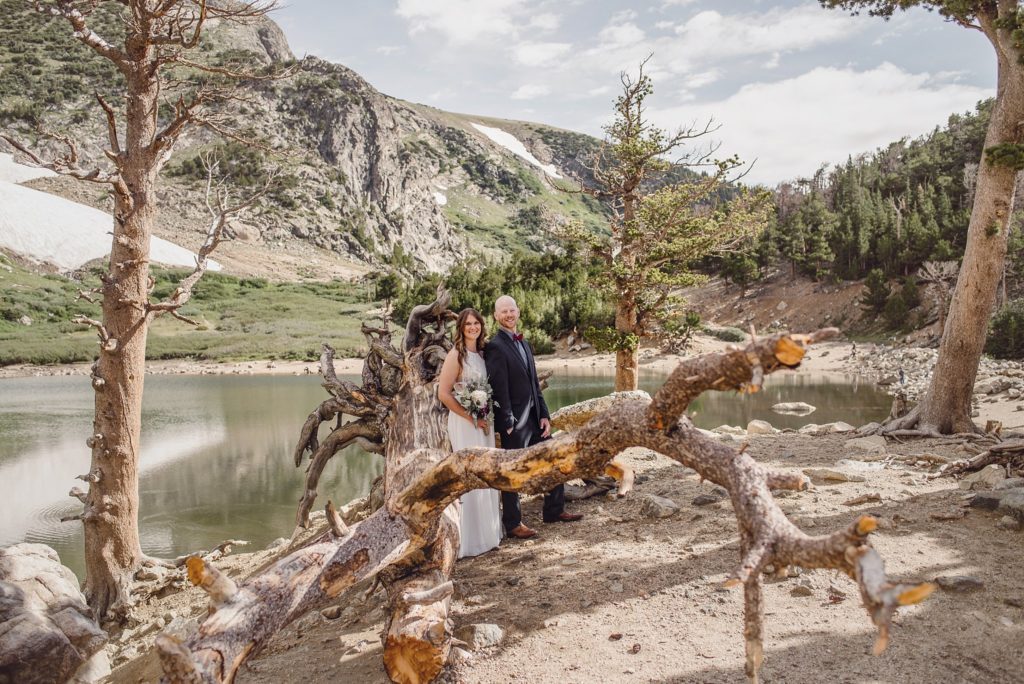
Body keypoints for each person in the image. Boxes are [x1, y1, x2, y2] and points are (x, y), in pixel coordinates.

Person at [485, 295, 582, 539]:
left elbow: (534, 385)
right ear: (496, 316)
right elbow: (499, 387)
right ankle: (514, 523)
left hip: (535, 419)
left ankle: (554, 510)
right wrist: (506, 422)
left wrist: (545, 414)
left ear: (518, 312)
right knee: (512, 471)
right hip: (514, 423)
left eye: (512, 310)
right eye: (503, 311)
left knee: (555, 457)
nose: (509, 315)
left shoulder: (524, 344)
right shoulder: (495, 346)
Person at [438, 308, 503, 558]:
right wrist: (470, 417)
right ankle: (469, 541)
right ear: (461, 328)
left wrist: (483, 416)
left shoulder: (483, 353)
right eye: (468, 324)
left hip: (484, 421)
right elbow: (444, 394)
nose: (473, 327)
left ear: (482, 326)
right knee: (469, 475)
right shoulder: (457, 355)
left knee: (486, 472)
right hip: (466, 424)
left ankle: (489, 535)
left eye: (476, 323)